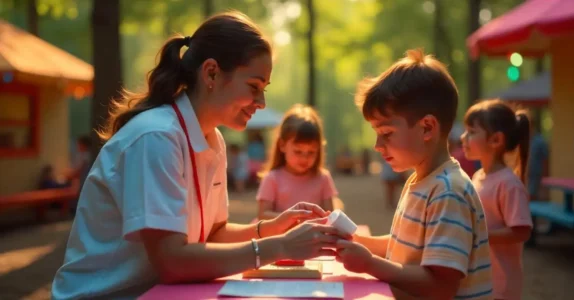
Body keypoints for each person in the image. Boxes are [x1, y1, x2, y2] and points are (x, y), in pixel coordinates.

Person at [51, 12, 348, 300]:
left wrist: (272, 227)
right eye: (254, 86)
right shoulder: (156, 137)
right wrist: (279, 247)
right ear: (211, 72)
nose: (261, 102)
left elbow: (213, 234)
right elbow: (172, 263)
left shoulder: (213, 139)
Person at [334, 49, 493, 299]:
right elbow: (403, 248)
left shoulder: (448, 192)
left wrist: (370, 265)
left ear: (427, 127)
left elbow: (440, 286)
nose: (377, 145)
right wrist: (352, 241)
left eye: (386, 133)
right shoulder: (421, 180)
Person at [462, 99, 533, 300]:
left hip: (500, 285)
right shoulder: (477, 177)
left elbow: (521, 231)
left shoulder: (509, 184)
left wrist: (477, 236)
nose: (463, 137)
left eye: (471, 131)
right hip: (479, 279)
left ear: (495, 140)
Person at [256, 104, 342, 220]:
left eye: (311, 152)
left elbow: (329, 215)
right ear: (282, 145)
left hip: (313, 236)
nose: (304, 158)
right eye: (298, 151)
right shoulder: (272, 179)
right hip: (280, 237)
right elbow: (263, 215)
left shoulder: (323, 178)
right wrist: (293, 219)